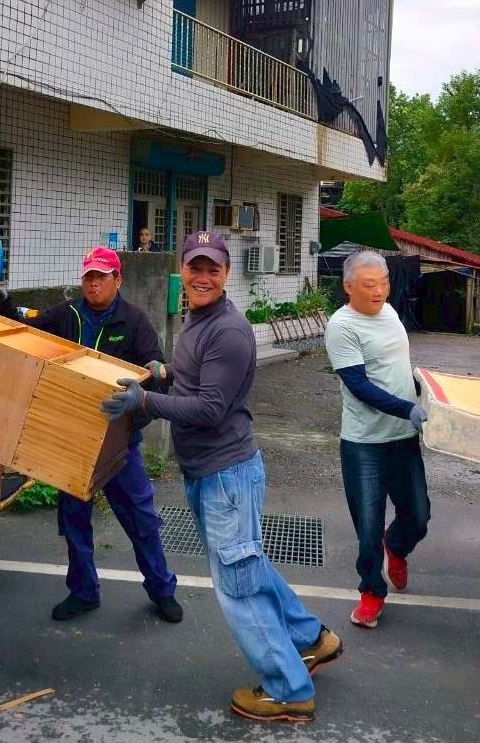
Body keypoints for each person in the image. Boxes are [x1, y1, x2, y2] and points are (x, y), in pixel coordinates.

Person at [100, 231, 342, 724]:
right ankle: (311, 639)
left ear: (227, 273)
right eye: (195, 267)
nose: (203, 277)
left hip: (225, 475)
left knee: (238, 587)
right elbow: (198, 381)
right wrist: (164, 375)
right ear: (183, 270)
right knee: (249, 567)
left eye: (213, 269)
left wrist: (146, 401)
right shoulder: (198, 320)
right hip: (212, 473)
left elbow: (211, 408)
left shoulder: (228, 331)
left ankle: (288, 690)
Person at [0, 247, 183, 624]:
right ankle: (83, 592)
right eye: (89, 276)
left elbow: (155, 376)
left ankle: (162, 590)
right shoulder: (67, 314)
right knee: (74, 519)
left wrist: (137, 412)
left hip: (119, 444)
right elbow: (28, 333)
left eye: (101, 277)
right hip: (74, 441)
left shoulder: (134, 322)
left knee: (141, 520)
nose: (93, 283)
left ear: (118, 280)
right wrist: (3, 306)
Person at [324, 250, 430, 629]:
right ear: (348, 287)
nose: (379, 291)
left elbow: (396, 369)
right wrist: (407, 409)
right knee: (368, 528)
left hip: (403, 438)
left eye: (383, 283)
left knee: (418, 516)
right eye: (369, 285)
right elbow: (360, 386)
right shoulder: (341, 327)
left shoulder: (391, 314)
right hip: (363, 444)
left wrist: (425, 391)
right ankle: (371, 591)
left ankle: (396, 547)